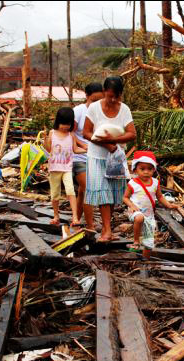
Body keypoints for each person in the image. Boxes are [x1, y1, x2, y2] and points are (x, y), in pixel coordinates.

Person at [83, 76, 137, 242]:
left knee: (112, 193)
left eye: (117, 96)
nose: (113, 99)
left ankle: (107, 228)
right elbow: (86, 132)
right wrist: (105, 143)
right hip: (96, 156)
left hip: (115, 157)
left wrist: (115, 141)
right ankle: (106, 230)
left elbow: (132, 133)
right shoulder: (94, 108)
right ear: (104, 92)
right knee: (103, 191)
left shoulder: (124, 109)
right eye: (110, 95)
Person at [123, 150, 177, 259]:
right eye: (142, 169)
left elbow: (160, 197)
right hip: (135, 212)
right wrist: (132, 206)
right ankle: (136, 241)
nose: (146, 172)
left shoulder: (155, 183)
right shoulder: (133, 183)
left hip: (149, 216)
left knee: (149, 243)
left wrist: (169, 205)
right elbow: (125, 197)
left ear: (154, 170)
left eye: (149, 169)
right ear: (135, 170)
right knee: (139, 218)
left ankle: (145, 260)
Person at [44, 107, 85, 227]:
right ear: (58, 121)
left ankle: (75, 217)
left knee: (71, 191)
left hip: (67, 168)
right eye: (63, 123)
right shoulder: (52, 133)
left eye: (68, 124)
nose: (65, 126)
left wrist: (87, 149)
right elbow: (48, 149)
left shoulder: (71, 135)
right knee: (55, 194)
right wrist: (45, 139)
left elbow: (75, 149)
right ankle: (56, 216)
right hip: (54, 168)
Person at [73, 82, 104, 231]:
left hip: (96, 156)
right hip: (78, 157)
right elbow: (69, 132)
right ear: (86, 96)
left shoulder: (102, 112)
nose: (96, 104)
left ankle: (76, 220)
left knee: (82, 191)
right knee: (87, 187)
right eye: (93, 100)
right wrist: (81, 144)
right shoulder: (78, 111)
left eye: (100, 100)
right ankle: (90, 225)